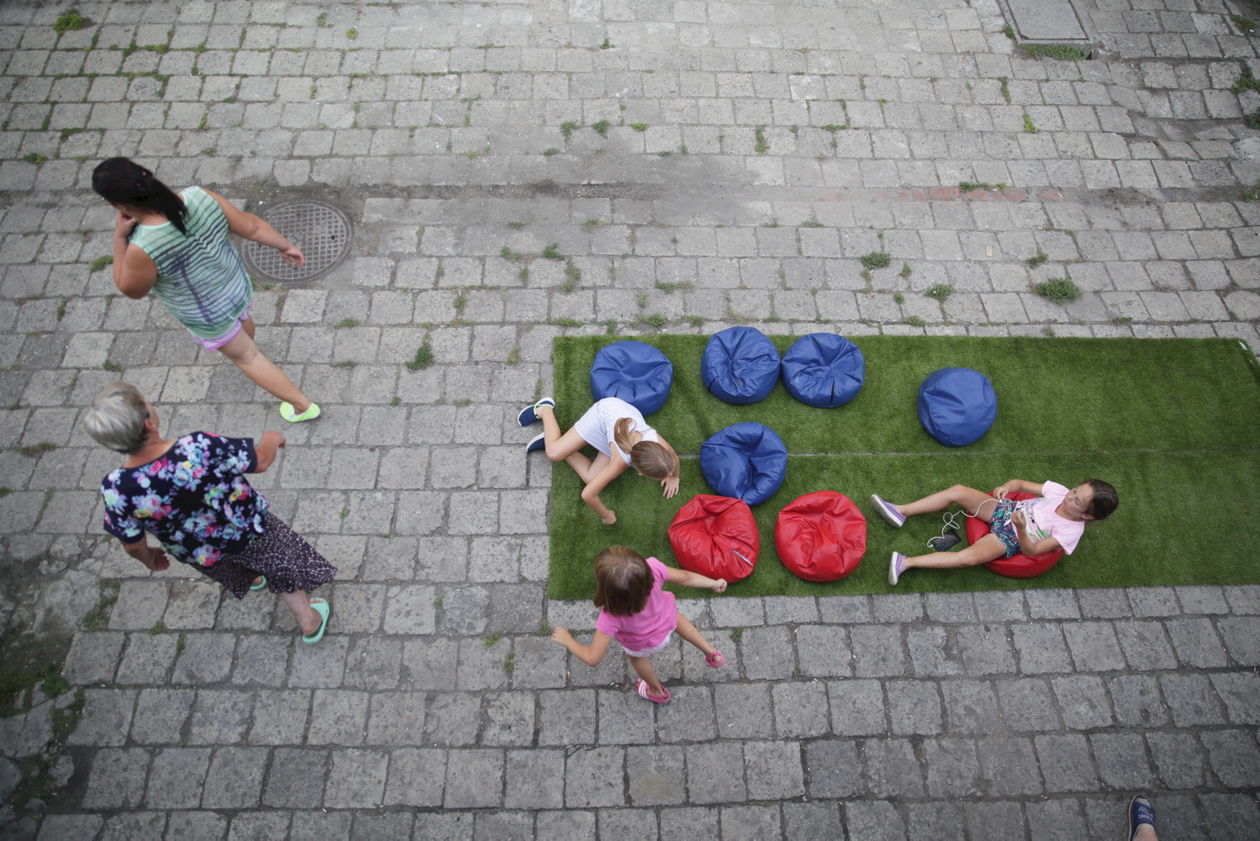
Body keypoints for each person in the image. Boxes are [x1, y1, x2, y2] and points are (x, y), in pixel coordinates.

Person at [84, 381, 334, 642]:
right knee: (278, 566)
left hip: (202, 552)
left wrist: (149, 558)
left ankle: (254, 577)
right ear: (149, 423)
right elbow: (259, 461)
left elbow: (132, 544)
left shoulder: (115, 489)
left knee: (235, 568)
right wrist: (271, 440)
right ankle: (309, 621)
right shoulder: (197, 447)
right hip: (247, 531)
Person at [92, 157, 319, 423]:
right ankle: (244, 342)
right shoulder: (199, 197)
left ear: (120, 205)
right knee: (242, 321)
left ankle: (302, 406)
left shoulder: (143, 247)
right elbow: (252, 227)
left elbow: (130, 288)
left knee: (247, 357)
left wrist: (119, 238)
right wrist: (284, 245)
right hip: (234, 284)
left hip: (207, 312)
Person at [550, 546, 727, 703]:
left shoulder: (610, 616)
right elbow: (687, 577)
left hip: (644, 644)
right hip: (668, 619)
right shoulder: (654, 568)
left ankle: (657, 691)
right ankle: (712, 653)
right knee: (678, 618)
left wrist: (568, 640)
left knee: (636, 658)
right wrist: (713, 583)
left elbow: (592, 658)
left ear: (607, 589)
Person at [870, 478, 1118, 585]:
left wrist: (1021, 528)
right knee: (958, 491)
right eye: (1074, 490)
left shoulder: (1070, 531)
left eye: (1076, 501)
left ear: (1087, 515)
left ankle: (906, 563)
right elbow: (1019, 484)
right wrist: (1005, 487)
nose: (1069, 496)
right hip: (1007, 509)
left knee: (967, 558)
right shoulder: (1060, 493)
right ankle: (900, 511)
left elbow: (1032, 550)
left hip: (1013, 538)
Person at [517, 396, 680, 525]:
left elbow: (672, 457)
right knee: (553, 453)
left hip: (619, 423)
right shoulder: (620, 462)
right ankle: (545, 410)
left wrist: (673, 476)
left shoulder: (656, 442)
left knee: (590, 477)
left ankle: (551, 437)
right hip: (603, 415)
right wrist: (606, 515)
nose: (670, 470)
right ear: (640, 472)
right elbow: (588, 495)